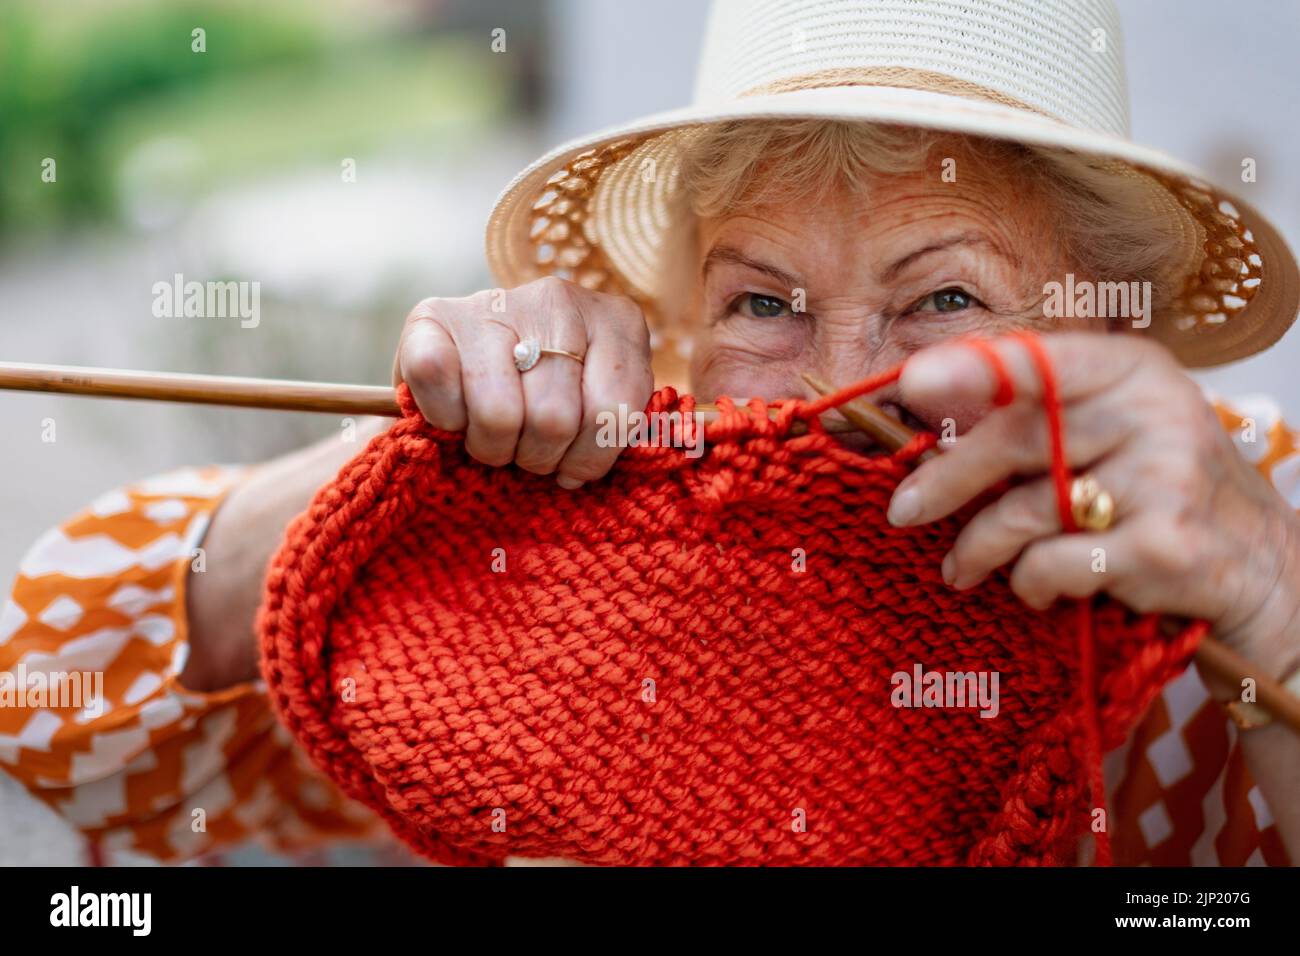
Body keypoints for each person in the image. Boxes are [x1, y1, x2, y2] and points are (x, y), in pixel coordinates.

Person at [3, 0, 1298, 865]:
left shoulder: (1243, 506)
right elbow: (51, 715)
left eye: (946, 298)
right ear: (678, 335)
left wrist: (1270, 600)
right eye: (762, 303)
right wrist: (412, 464)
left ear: (1116, 337)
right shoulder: (638, 567)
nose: (837, 385)